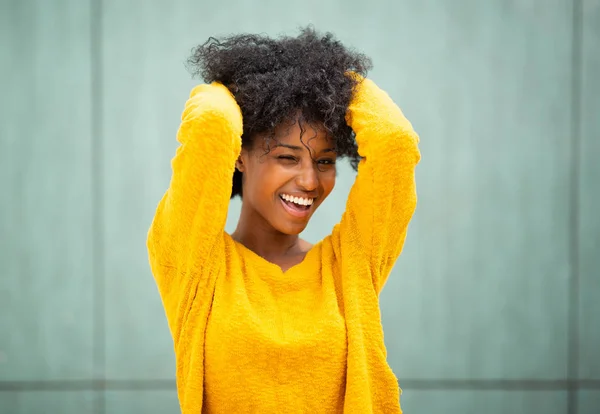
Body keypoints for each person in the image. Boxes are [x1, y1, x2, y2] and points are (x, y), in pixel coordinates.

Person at [147, 27, 420, 413]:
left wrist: (340, 83)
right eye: (287, 157)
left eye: (324, 161)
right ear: (240, 155)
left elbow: (395, 143)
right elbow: (213, 123)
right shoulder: (195, 265)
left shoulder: (350, 267)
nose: (309, 181)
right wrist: (233, 86)